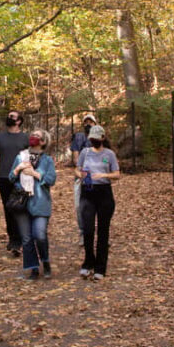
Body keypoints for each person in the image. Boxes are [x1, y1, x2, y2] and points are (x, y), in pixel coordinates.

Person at [9, 129, 57, 280]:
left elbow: (51, 180)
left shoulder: (47, 160)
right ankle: (33, 269)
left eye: (37, 136)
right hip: (22, 202)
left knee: (40, 235)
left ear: (43, 142)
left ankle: (45, 261)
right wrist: (18, 169)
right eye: (32, 135)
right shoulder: (20, 157)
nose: (33, 137)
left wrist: (35, 174)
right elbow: (11, 177)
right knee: (26, 238)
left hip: (40, 202)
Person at [75, 124, 120, 281]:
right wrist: (81, 175)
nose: (93, 140)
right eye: (91, 138)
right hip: (88, 191)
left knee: (103, 231)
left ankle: (101, 267)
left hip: (104, 192)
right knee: (87, 229)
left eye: (96, 138)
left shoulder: (109, 154)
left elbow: (117, 174)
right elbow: (77, 168)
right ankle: (88, 262)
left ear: (102, 138)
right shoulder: (85, 152)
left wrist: (104, 175)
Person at [0, 110, 29, 256]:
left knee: (20, 207)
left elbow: (32, 156)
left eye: (12, 116)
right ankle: (13, 240)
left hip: (21, 177)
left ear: (19, 121)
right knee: (8, 208)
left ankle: (22, 239)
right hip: (3, 177)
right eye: (9, 116)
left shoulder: (25, 137)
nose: (9, 118)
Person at [69, 113, 97, 246]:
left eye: (90, 122)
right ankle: (82, 233)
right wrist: (81, 169)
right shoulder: (79, 137)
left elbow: (106, 158)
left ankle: (99, 234)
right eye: (86, 122)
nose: (88, 124)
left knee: (98, 206)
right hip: (81, 175)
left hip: (98, 178)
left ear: (95, 124)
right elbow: (76, 157)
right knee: (79, 206)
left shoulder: (100, 138)